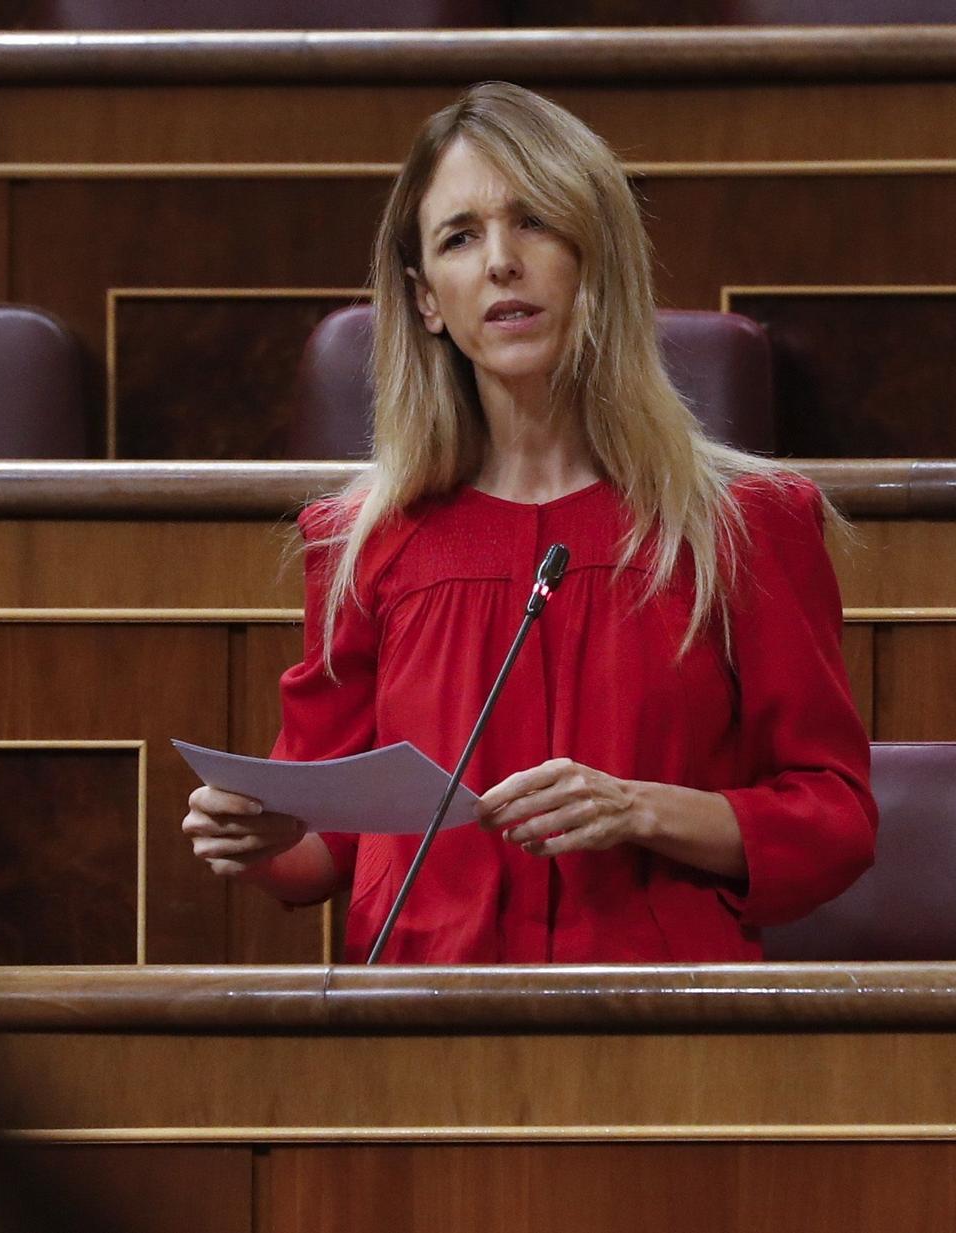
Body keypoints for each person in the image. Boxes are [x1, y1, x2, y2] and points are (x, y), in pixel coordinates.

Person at [182, 81, 875, 963]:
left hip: (667, 1034)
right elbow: (328, 849)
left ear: (598, 257)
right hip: (425, 1034)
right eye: (460, 237)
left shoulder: (743, 525)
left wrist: (640, 808)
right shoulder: (361, 541)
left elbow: (837, 817)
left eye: (535, 221)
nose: (500, 261)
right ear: (427, 296)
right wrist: (263, 840)